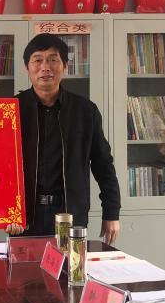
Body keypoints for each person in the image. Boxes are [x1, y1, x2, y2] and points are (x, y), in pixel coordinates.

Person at [7, 33, 121, 244]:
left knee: (71, 265)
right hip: (24, 217)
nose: (45, 67)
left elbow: (103, 165)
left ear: (65, 66)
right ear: (27, 68)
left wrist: (111, 213)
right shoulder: (10, 111)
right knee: (25, 266)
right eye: (37, 60)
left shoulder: (85, 111)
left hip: (70, 213)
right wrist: (5, 211)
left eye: (53, 59)